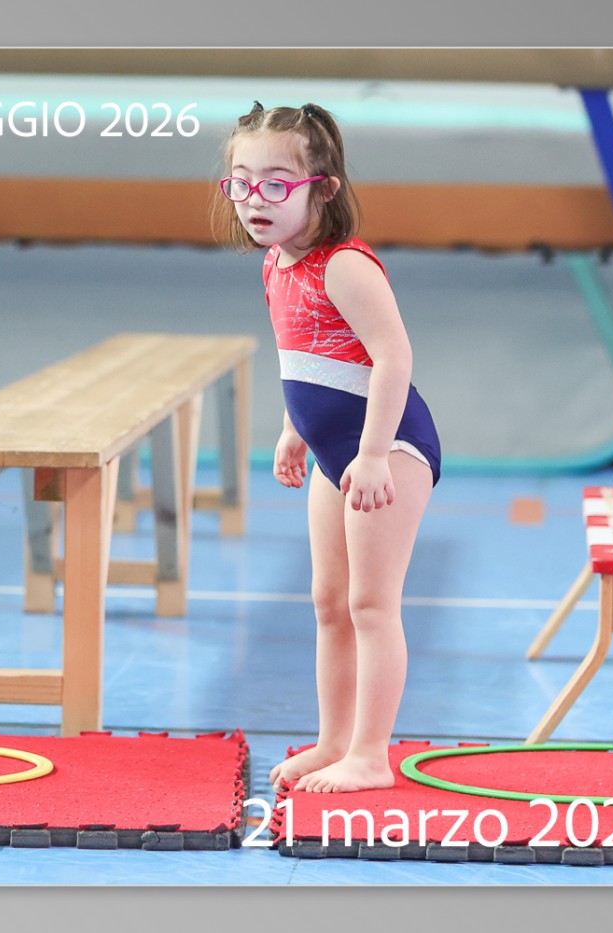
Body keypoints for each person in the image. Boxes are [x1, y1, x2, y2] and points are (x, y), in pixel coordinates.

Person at [215, 102, 441, 793]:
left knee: (371, 604)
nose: (255, 199)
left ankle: (371, 754)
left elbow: (393, 358)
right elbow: (308, 359)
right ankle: (333, 741)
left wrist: (372, 454)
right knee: (329, 602)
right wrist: (294, 428)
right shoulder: (276, 264)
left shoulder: (343, 266)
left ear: (324, 189)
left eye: (275, 183)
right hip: (331, 451)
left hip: (389, 446)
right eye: (241, 182)